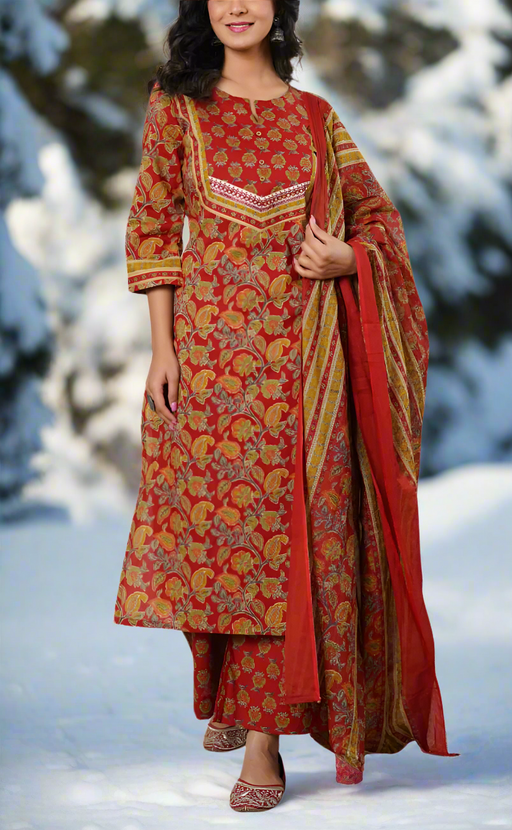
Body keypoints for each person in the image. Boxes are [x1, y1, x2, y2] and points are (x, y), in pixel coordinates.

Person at [113, 0, 458, 812]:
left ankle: (263, 741)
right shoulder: (179, 106)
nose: (237, 6)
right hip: (211, 363)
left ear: (281, 8)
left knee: (289, 549)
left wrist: (351, 257)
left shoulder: (315, 118)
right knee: (218, 546)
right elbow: (154, 227)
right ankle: (230, 691)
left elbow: (377, 217)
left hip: (309, 368)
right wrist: (163, 350)